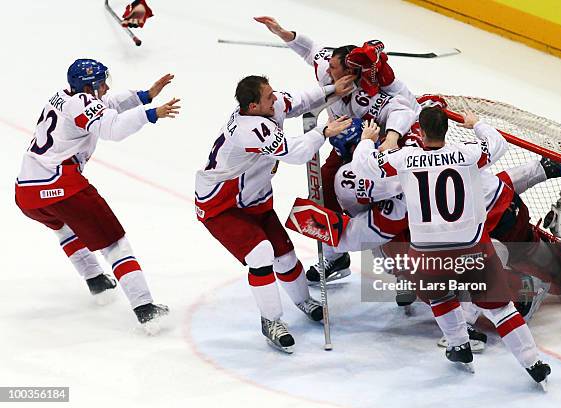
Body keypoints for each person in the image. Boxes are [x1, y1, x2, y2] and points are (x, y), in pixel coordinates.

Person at [353, 108, 551, 386]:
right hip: (473, 247)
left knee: (440, 296)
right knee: (501, 308)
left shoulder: (406, 158)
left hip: (427, 251)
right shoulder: (467, 153)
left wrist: (365, 139)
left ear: (420, 132)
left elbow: (363, 167)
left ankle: (459, 344)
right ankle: (534, 362)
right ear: (446, 129)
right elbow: (498, 144)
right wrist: (477, 124)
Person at [15, 59, 180, 331]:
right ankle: (145, 308)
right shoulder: (82, 103)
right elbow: (111, 128)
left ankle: (96, 280)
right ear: (88, 86)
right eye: (101, 83)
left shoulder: (62, 97)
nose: (105, 87)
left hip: (26, 191)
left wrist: (145, 96)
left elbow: (105, 107)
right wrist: (150, 113)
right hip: (60, 184)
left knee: (63, 227)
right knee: (114, 243)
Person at [195, 74, 354, 353]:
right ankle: (270, 320)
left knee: (284, 254)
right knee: (261, 254)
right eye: (269, 97)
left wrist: (332, 89)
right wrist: (322, 133)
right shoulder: (248, 130)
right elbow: (295, 153)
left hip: (255, 197)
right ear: (253, 106)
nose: (275, 99)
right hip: (221, 204)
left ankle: (304, 301)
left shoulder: (267, 106)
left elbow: (300, 100)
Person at [255, 16, 421, 282]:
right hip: (343, 146)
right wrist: (283, 33)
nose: (327, 70)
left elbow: (406, 110)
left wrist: (391, 138)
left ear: (351, 72)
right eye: (329, 65)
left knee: (386, 207)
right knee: (323, 186)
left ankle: (403, 269)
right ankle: (335, 257)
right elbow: (311, 50)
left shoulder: (370, 95)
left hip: (374, 151)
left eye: (334, 68)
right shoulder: (327, 69)